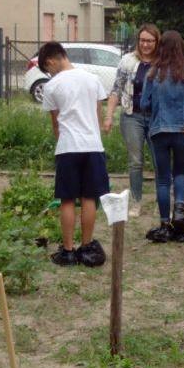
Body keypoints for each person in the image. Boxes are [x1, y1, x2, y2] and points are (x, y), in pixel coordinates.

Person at [38, 41, 111, 267]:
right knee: (89, 197)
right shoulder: (93, 79)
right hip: (92, 145)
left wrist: (63, 140)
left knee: (67, 199)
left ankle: (68, 251)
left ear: (51, 60)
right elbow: (98, 116)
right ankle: (87, 247)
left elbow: (56, 123)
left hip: (68, 147)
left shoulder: (51, 87)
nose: (48, 73)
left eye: (46, 69)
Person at [138, 31, 184, 242]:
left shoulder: (153, 74)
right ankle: (179, 213)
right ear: (181, 48)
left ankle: (164, 224)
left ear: (161, 48)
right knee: (180, 173)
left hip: (159, 131)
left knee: (162, 179)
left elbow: (144, 105)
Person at [104, 24, 160, 216]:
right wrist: (109, 116)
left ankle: (162, 202)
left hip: (156, 118)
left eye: (150, 41)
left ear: (157, 42)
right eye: (143, 40)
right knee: (135, 162)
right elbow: (116, 89)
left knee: (159, 160)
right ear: (138, 41)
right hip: (131, 116)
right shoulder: (127, 60)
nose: (146, 44)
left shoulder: (162, 61)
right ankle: (136, 203)